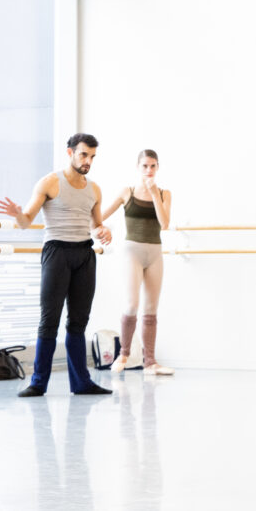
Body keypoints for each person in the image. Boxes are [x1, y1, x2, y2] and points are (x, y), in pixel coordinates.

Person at [0, 133, 114, 397]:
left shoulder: (94, 189)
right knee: (49, 321)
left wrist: (104, 231)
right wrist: (18, 214)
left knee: (78, 323)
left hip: (84, 253)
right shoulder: (50, 182)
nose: (88, 161)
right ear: (70, 152)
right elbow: (26, 221)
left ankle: (81, 383)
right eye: (84, 154)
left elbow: (96, 225)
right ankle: (39, 383)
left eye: (92, 156)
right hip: (57, 252)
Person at [101, 149, 174, 375]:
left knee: (151, 308)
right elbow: (100, 216)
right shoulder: (128, 192)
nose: (149, 170)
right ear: (138, 167)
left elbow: (164, 224)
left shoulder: (164, 193)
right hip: (132, 251)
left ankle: (150, 362)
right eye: (145, 166)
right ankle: (123, 354)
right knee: (132, 304)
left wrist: (154, 194)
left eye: (153, 166)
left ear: (158, 167)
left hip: (154, 252)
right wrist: (99, 228)